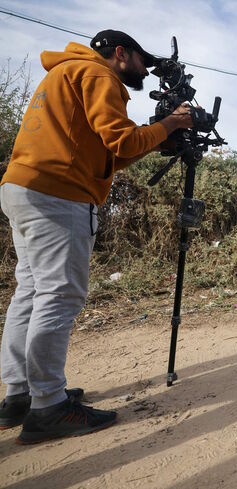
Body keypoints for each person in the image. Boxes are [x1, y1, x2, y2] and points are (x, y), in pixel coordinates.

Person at [0, 30, 192, 445]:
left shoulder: (64, 74)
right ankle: (48, 406)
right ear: (120, 54)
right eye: (142, 60)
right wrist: (171, 123)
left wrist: (157, 134)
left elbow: (113, 154)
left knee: (30, 292)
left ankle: (19, 397)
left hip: (24, 186)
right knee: (58, 295)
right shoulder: (100, 76)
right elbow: (122, 139)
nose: (145, 69)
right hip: (58, 192)